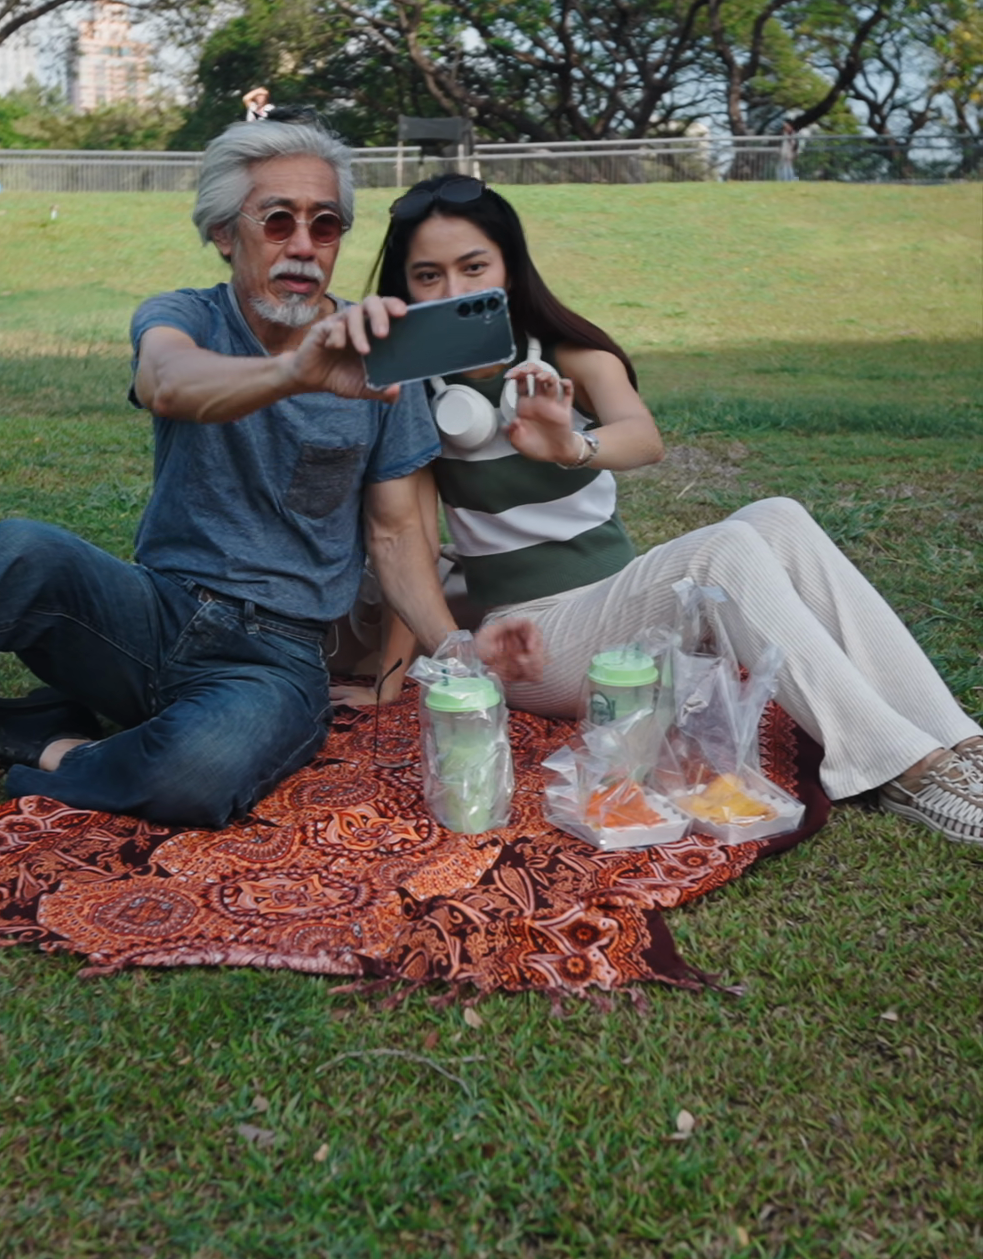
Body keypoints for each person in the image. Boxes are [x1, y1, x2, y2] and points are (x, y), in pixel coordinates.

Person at [0, 126, 540, 827]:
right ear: (224, 234)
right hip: (150, 614)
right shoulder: (186, 315)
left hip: (274, 659)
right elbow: (168, 382)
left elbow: (395, 535)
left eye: (325, 224)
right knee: (16, 549)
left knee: (198, 770)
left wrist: (457, 649)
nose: (304, 245)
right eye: (278, 220)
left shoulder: (380, 361)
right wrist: (294, 373)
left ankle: (39, 741)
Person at [333, 174, 983, 847]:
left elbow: (643, 439)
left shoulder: (569, 358)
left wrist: (570, 445)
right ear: (405, 288)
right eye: (429, 275)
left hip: (620, 611)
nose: (453, 291)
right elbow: (402, 535)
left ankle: (957, 741)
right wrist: (400, 675)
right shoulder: (409, 393)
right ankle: (898, 768)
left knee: (779, 516)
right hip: (536, 640)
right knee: (722, 550)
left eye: (474, 267)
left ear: (510, 267)